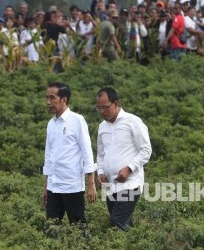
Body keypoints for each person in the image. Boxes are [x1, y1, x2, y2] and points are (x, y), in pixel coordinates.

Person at [95, 87, 151, 231]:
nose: (102, 112)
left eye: (105, 107)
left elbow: (146, 150)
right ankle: (140, 242)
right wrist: (100, 172)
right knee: (124, 224)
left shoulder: (133, 121)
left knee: (117, 222)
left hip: (129, 184)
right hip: (110, 185)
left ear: (116, 103)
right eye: (99, 108)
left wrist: (129, 168)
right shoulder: (102, 127)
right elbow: (101, 154)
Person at [42, 82, 97, 225]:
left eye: (52, 98)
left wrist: (91, 184)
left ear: (64, 99)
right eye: (47, 98)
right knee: (51, 226)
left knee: (78, 225)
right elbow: (48, 156)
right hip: (53, 185)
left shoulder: (77, 120)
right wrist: (46, 187)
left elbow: (87, 152)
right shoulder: (51, 124)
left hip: (71, 185)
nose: (48, 102)